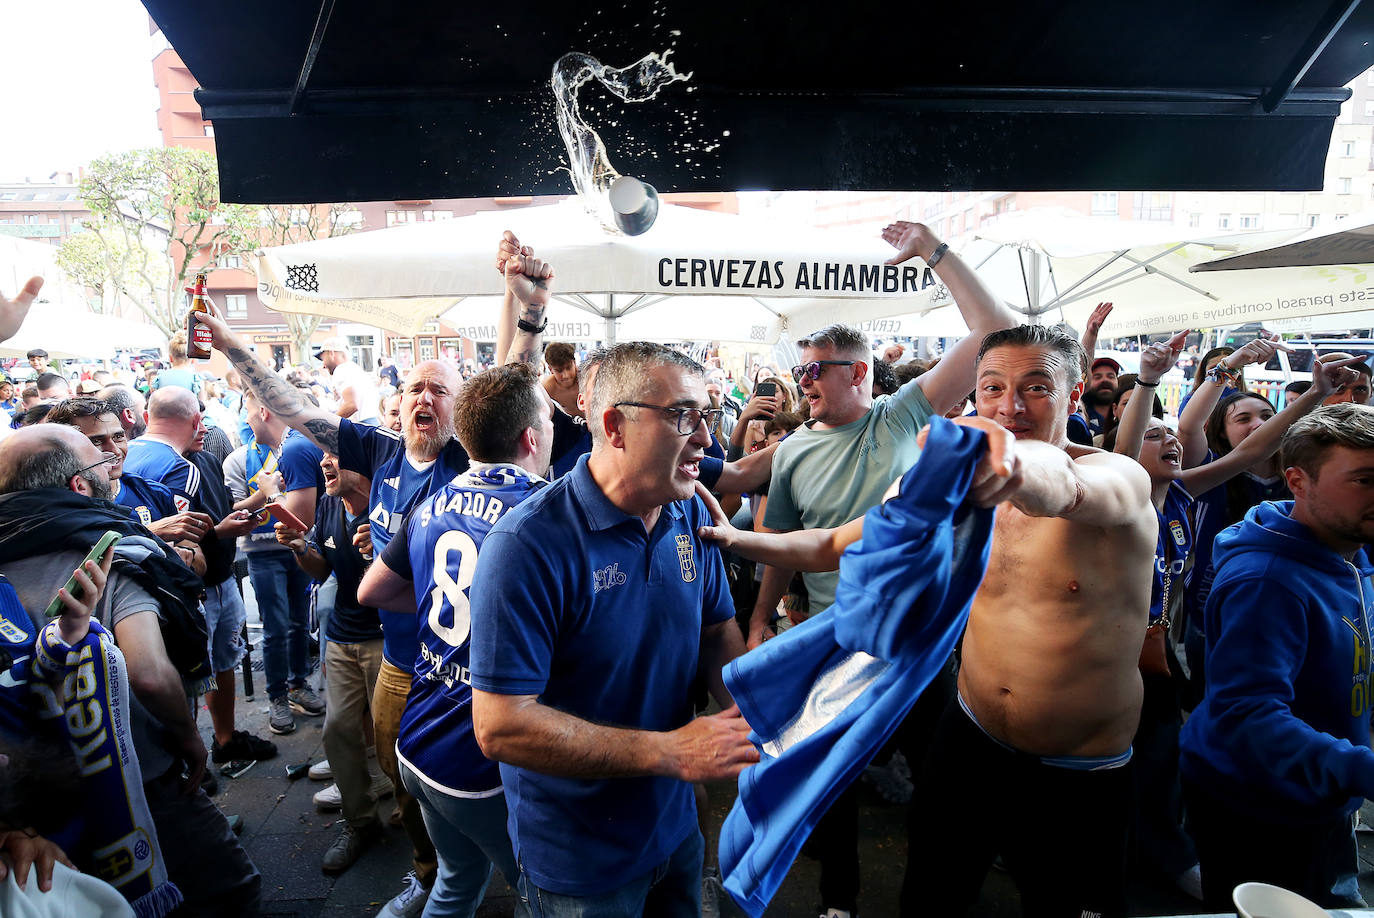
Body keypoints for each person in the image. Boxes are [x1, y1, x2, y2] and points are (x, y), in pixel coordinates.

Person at [708, 323, 1159, 917]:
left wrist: (1012, 467)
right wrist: (732, 537)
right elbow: (827, 545)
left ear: (1074, 397)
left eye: (1036, 388)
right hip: (971, 740)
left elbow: (1068, 488)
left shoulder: (1118, 478)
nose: (1011, 406)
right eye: (992, 388)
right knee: (930, 897)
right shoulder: (949, 488)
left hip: (1079, 770)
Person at [198, 230, 558, 918]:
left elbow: (514, 379)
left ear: (461, 410)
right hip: (392, 661)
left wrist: (523, 303)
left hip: (456, 673)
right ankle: (428, 873)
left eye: (439, 389)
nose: (424, 397)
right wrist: (235, 349)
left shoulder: (467, 464)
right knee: (410, 788)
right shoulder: (377, 448)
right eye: (414, 387)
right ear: (398, 403)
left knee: (472, 800)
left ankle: (453, 879)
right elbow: (294, 408)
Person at [744, 221, 1014, 918]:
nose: (801, 381)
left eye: (814, 369)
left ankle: (934, 901)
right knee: (830, 780)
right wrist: (758, 620)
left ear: (857, 372)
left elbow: (995, 332)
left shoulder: (897, 417)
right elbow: (784, 542)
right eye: (799, 369)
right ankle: (839, 902)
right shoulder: (793, 450)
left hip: (926, 641)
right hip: (842, 639)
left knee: (943, 785)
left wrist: (935, 254)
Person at [469, 342, 756, 915]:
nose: (705, 439)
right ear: (614, 426)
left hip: (674, 828)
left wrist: (753, 718)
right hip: (579, 861)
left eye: (706, 416)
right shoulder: (525, 546)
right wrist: (668, 752)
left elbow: (717, 629)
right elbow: (500, 727)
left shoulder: (690, 509)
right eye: (683, 417)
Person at [0, 424, 263, 916]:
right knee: (229, 890)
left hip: (27, 800)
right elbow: (149, 674)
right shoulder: (109, 555)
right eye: (99, 458)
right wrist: (187, 735)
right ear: (80, 485)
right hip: (131, 776)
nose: (113, 460)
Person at [358, 363, 554, 917]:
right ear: (531, 437)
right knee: (542, 893)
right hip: (480, 760)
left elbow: (372, 588)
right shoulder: (544, 511)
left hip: (418, 739)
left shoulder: (433, 502)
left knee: (456, 881)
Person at [1179, 403, 1374, 910]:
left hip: (1324, 792)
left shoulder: (1352, 552)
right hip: (1261, 806)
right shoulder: (1267, 581)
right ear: (1297, 482)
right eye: (1364, 479)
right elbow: (1246, 715)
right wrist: (1361, 770)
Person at [121, 388, 273, 766]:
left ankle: (220, 742)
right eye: (201, 420)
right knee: (189, 673)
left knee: (215, 664)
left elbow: (211, 514)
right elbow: (186, 541)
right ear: (193, 421)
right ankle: (189, 762)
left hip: (183, 588)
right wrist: (218, 536)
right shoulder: (177, 467)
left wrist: (246, 508)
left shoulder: (159, 456)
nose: (205, 428)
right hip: (194, 593)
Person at [276, 454, 387, 875]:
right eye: (323, 456)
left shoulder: (388, 503)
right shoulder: (327, 504)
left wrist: (383, 549)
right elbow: (322, 571)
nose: (325, 463)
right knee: (338, 728)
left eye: (335, 456)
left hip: (384, 636)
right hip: (342, 636)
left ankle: (420, 827)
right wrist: (301, 548)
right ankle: (360, 823)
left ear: (363, 466)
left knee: (395, 735)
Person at [223, 386, 324, 735]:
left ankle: (299, 685)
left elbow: (300, 520)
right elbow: (237, 507)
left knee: (299, 623)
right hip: (263, 555)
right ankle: (278, 695)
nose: (245, 419)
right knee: (276, 627)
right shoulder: (238, 459)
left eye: (248, 411)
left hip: (298, 549)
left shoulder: (294, 450)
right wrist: (260, 497)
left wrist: (272, 495)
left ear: (264, 412)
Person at [316, 337, 381, 425]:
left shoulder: (342, 369)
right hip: (367, 424)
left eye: (323, 359)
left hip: (361, 427)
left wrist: (328, 423)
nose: (323, 365)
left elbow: (352, 405)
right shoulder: (352, 368)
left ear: (331, 353)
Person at [540, 341, 582, 418]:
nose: (565, 375)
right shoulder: (547, 387)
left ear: (574, 363)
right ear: (550, 369)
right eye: (559, 371)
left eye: (568, 368)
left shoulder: (587, 378)